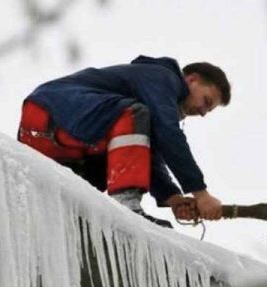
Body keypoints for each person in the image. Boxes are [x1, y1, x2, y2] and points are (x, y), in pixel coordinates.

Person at [17, 55, 230, 227]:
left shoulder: (149, 110)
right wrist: (201, 194)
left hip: (49, 134)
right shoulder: (163, 78)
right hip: (51, 111)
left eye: (208, 111)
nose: (202, 112)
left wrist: (174, 198)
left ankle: (68, 210)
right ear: (192, 79)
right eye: (206, 101)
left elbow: (143, 156)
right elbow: (169, 134)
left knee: (104, 172)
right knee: (135, 113)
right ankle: (127, 207)